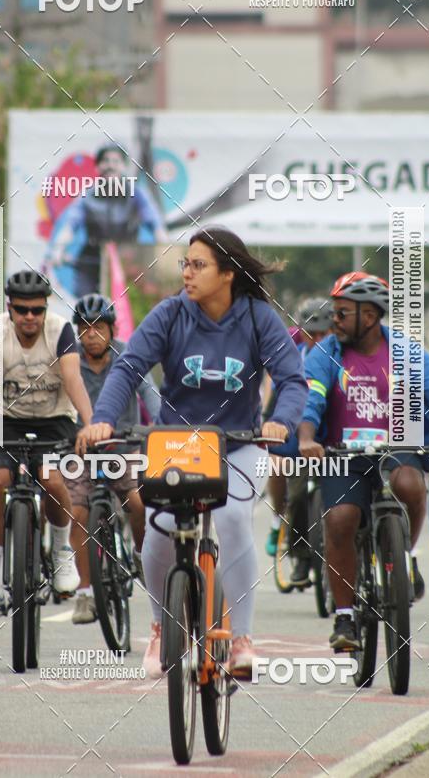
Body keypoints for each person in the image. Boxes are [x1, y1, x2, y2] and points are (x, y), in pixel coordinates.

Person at [78, 227, 308, 678]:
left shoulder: (260, 318)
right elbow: (127, 368)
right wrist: (102, 417)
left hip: (240, 444)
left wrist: (282, 419)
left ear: (227, 273)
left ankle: (241, 638)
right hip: (178, 445)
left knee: (234, 518)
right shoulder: (169, 315)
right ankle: (162, 629)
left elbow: (293, 380)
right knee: (160, 531)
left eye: (198, 265)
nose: (186, 272)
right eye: (185, 263)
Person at [299, 272, 429, 653]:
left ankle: (403, 559)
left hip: (398, 448)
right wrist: (308, 437)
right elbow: (312, 396)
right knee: (341, 519)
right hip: (343, 454)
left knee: (410, 485)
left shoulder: (406, 353)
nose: (335, 321)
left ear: (371, 317)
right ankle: (345, 615)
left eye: (343, 313)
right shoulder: (326, 354)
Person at [0, 270, 91, 614]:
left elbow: (72, 379)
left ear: (46, 309)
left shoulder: (61, 331)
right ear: (10, 309)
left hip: (54, 420)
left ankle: (60, 551)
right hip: (5, 420)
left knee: (52, 479)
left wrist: (91, 423)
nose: (30, 317)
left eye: (37, 310)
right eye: (23, 310)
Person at [67, 293, 160, 625]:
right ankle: (85, 593)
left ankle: (139, 557)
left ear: (111, 329)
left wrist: (165, 427)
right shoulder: (68, 360)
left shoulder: (128, 355)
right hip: (80, 449)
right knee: (78, 511)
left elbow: (150, 392)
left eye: (99, 327)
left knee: (136, 503)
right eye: (84, 327)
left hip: (124, 444)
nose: (91, 334)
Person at [264, 298, 332, 584]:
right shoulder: (292, 359)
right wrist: (269, 423)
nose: (316, 340)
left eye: (322, 334)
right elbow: (278, 400)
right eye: (310, 333)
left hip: (333, 439)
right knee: (297, 491)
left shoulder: (341, 356)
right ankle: (300, 555)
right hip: (299, 442)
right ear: (300, 332)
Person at [49, 145, 167, 296]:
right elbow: (69, 226)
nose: (110, 165)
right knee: (88, 310)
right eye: (105, 161)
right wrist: (58, 249)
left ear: (124, 167)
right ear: (97, 167)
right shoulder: (87, 195)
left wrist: (165, 250)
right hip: (92, 263)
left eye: (116, 161)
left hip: (127, 262)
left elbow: (156, 226)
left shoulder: (137, 193)